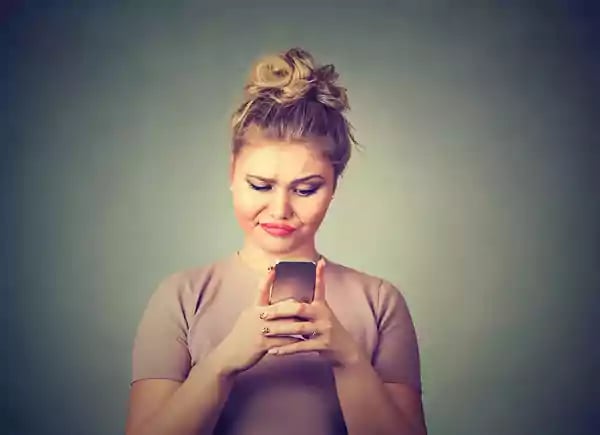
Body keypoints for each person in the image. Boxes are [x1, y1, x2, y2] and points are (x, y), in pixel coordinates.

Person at [125, 47, 427, 435]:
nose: (280, 209)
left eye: (306, 189)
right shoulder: (182, 296)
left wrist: (348, 358)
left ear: (334, 186)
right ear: (233, 173)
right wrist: (225, 361)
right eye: (261, 185)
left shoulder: (380, 302)